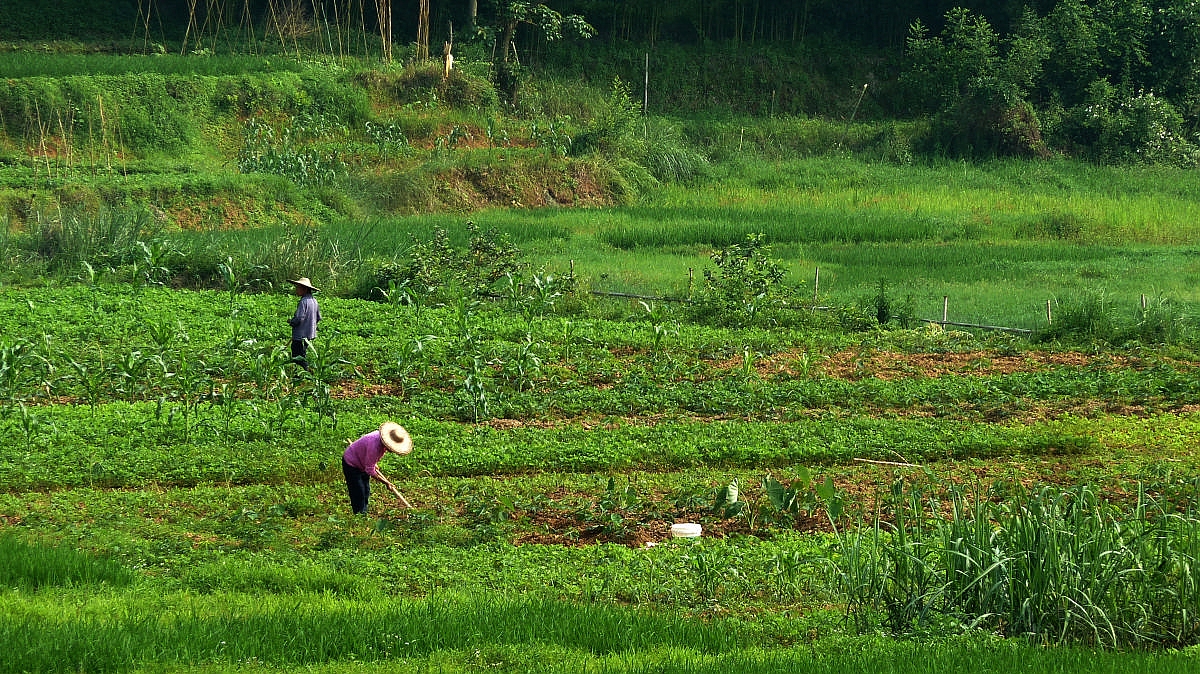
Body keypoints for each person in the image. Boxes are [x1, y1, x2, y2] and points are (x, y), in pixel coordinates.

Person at [342, 421, 414, 514]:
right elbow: (369, 470)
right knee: (358, 491)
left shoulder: (381, 440)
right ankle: (359, 516)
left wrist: (373, 463)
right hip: (351, 463)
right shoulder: (375, 446)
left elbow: (368, 456)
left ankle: (364, 510)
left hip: (362, 462)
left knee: (366, 490)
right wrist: (386, 482)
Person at [287, 277, 321, 367]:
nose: (296, 290)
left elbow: (299, 318)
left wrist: (291, 322)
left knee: (298, 357)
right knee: (303, 354)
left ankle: (303, 375)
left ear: (305, 289)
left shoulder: (303, 302)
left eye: (298, 288)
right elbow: (318, 317)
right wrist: (310, 326)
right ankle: (303, 375)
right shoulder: (314, 301)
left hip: (300, 337)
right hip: (309, 336)